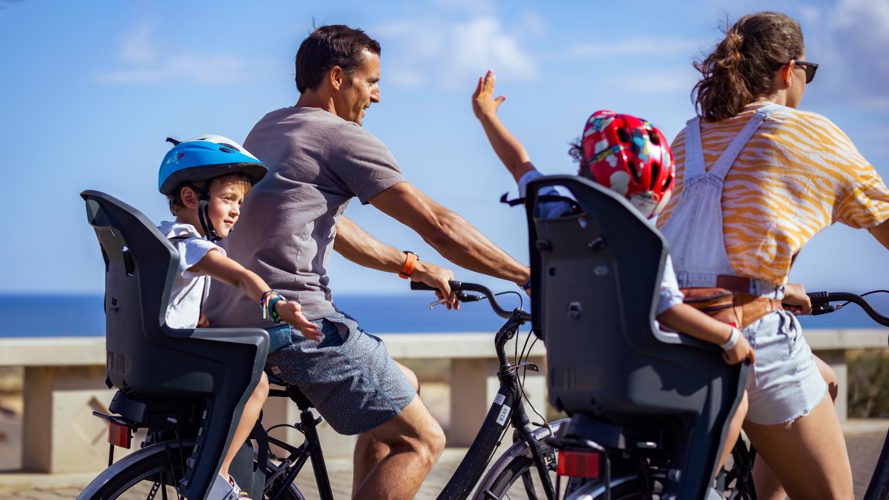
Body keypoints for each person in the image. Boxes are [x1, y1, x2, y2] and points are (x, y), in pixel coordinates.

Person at [203, 25, 531, 499]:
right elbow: (439, 224)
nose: (376, 96)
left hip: (238, 320)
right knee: (422, 438)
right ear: (338, 78)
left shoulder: (269, 127)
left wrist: (413, 267)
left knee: (405, 388)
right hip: (297, 325)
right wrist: (526, 274)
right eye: (371, 82)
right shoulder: (341, 137)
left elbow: (332, 227)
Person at [656, 11, 889, 499]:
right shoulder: (810, 134)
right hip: (746, 332)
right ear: (789, 70)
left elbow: (702, 251)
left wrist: (777, 287)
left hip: (674, 325)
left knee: (823, 382)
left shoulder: (689, 137)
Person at [472, 70, 754, 473]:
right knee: (734, 394)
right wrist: (730, 339)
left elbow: (520, 162)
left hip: (575, 375)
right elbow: (668, 311)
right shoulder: (643, 244)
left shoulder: (552, 207)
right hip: (639, 378)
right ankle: (693, 481)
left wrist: (486, 115)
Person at [156, 135, 322, 500]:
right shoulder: (190, 243)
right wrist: (276, 304)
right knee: (255, 381)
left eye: (240, 202)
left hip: (156, 358)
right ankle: (217, 475)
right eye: (228, 199)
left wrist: (200, 319)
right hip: (174, 362)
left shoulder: (162, 238)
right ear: (189, 199)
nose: (236, 210)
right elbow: (238, 276)